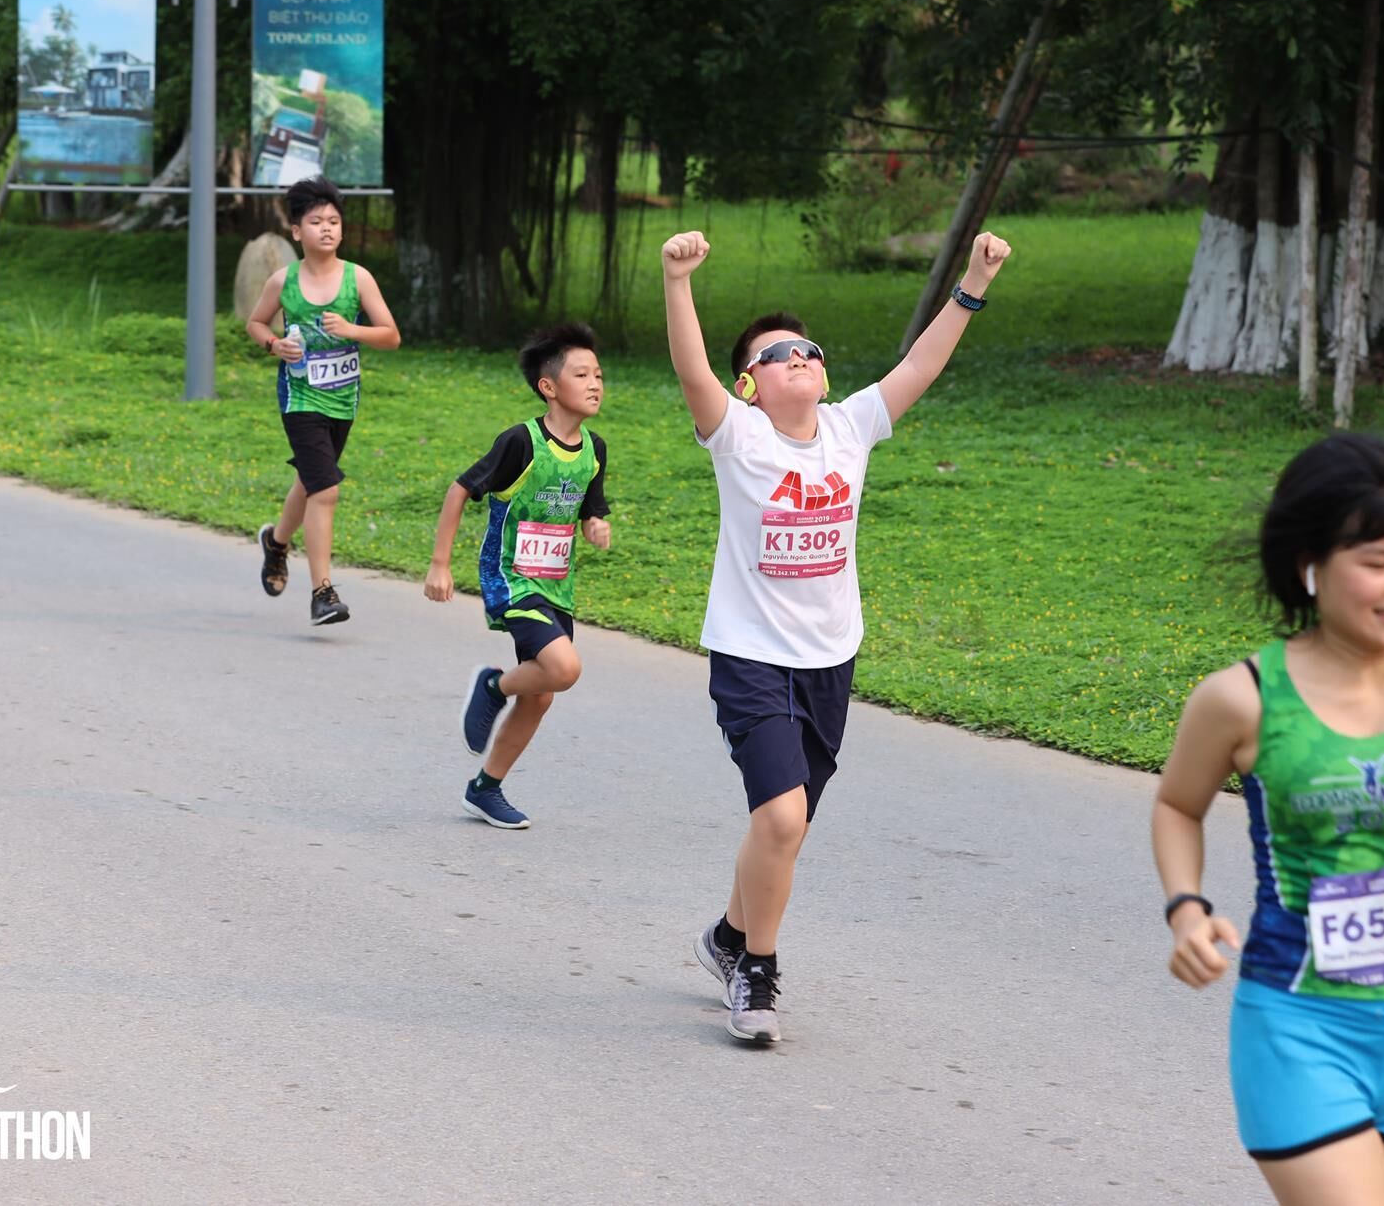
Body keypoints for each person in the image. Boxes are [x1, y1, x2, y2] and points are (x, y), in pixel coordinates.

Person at [1151, 433, 1384, 1206]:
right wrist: (1186, 907)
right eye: (1377, 560)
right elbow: (1177, 805)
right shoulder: (1241, 698)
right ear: (1310, 564)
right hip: (1297, 1022)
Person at [663, 228, 1011, 1043]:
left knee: (784, 828)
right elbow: (691, 371)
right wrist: (677, 281)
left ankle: (724, 936)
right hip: (751, 655)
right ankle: (758, 972)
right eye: (779, 353)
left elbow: (921, 365)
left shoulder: (851, 428)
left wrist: (973, 281)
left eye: (809, 349)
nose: (801, 357)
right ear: (749, 383)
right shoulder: (737, 435)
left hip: (830, 659)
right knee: (781, 819)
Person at [425, 323, 612, 828]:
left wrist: (596, 524)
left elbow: (591, 507)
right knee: (564, 669)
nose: (595, 382)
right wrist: (440, 563)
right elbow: (460, 489)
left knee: (543, 693)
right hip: (513, 578)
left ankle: (485, 789)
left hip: (557, 585)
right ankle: (492, 687)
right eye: (581, 374)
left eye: (598, 373)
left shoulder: (595, 449)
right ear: (548, 386)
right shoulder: (521, 442)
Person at [245, 177, 401, 625]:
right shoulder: (284, 280)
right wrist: (275, 345)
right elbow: (256, 324)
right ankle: (323, 592)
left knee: (314, 482)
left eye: (334, 221)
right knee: (326, 489)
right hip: (299, 397)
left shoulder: (358, 278)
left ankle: (276, 543)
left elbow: (391, 335)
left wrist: (353, 331)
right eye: (316, 222)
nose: (326, 229)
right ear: (297, 232)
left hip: (343, 399)